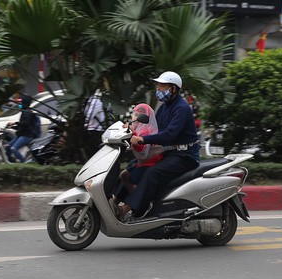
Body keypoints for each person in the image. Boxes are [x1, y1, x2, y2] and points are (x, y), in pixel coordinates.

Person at [117, 71, 200, 220]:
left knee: (152, 173)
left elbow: (169, 134)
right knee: (131, 168)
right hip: (168, 152)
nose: (158, 89)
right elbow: (152, 127)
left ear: (173, 89)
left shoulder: (181, 108)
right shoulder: (164, 107)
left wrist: (143, 140)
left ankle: (128, 208)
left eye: (162, 86)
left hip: (185, 156)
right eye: (158, 86)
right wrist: (131, 128)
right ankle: (114, 201)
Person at [109, 103, 163, 214]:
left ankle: (134, 205)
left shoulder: (149, 130)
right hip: (142, 161)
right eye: (134, 114)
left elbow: (141, 147)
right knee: (123, 175)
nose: (135, 116)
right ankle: (115, 202)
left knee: (128, 178)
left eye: (138, 114)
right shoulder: (139, 127)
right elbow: (132, 131)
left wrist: (136, 140)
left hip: (149, 163)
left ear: (144, 117)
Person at [6, 94, 41, 163]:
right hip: (21, 134)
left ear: (24, 102)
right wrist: (13, 126)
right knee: (7, 146)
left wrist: (15, 123)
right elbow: (22, 126)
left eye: (21, 102)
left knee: (13, 149)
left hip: (27, 136)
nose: (19, 104)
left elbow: (25, 124)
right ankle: (11, 162)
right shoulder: (24, 112)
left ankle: (23, 164)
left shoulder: (28, 112)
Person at [83, 92, 105, 157]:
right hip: (92, 129)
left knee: (94, 152)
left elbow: (89, 116)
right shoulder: (87, 101)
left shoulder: (95, 102)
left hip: (94, 130)